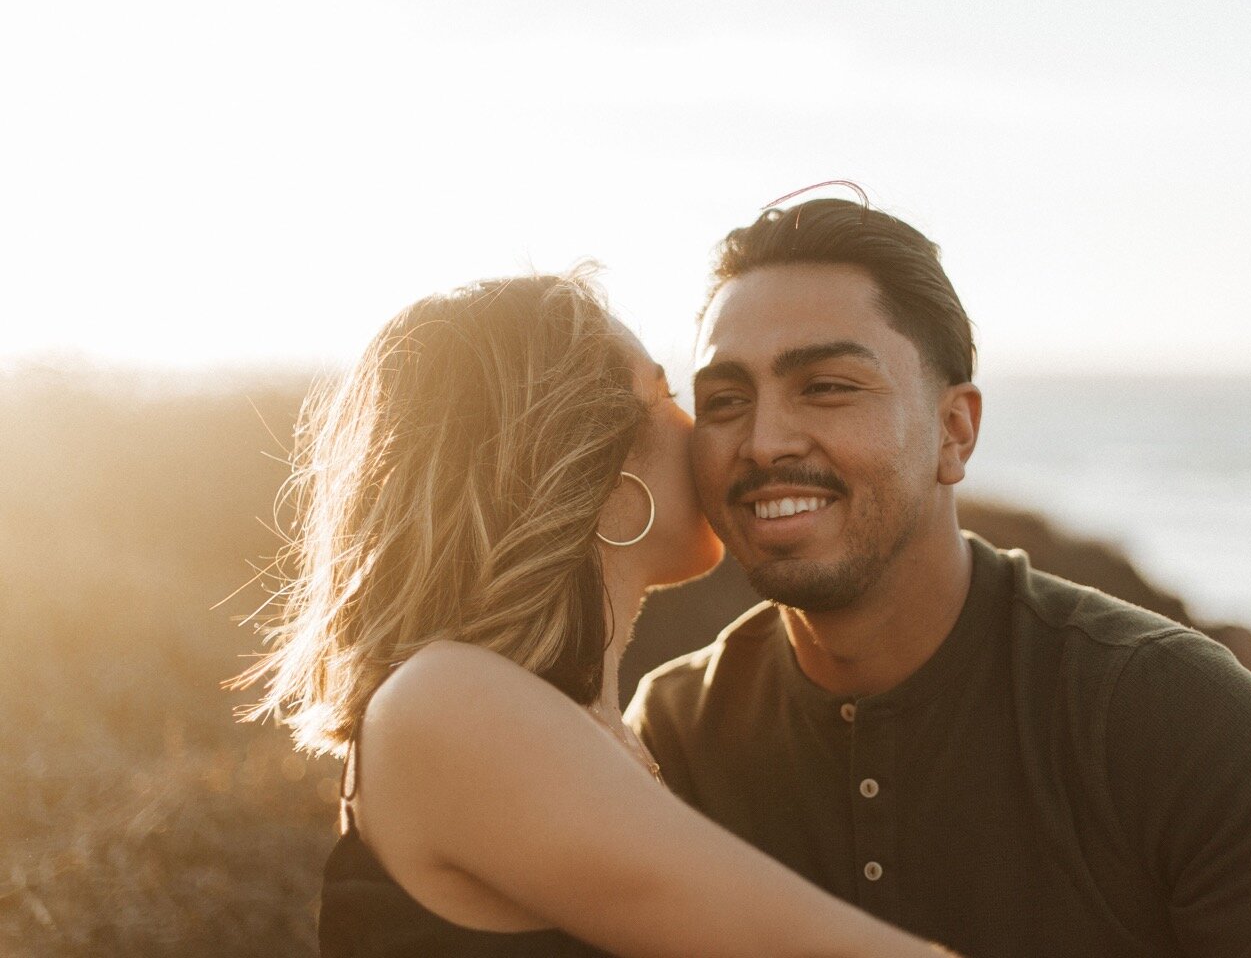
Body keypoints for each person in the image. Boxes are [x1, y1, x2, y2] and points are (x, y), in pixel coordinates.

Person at [627, 198, 1251, 958]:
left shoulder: (1178, 719)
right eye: (726, 399)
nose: (763, 441)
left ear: (955, 431)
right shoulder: (674, 738)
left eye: (827, 386)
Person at [238, 271, 959, 957]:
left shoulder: (602, 731)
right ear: (599, 469)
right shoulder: (448, 703)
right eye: (667, 396)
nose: (719, 433)